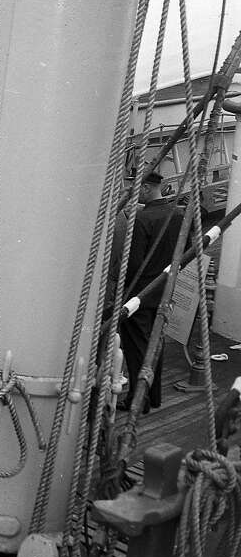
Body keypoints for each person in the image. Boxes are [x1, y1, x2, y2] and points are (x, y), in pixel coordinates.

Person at [110, 172, 184, 412]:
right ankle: (153, 396)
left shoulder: (142, 219)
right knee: (155, 343)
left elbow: (133, 264)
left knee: (136, 348)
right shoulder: (178, 215)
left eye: (137, 189)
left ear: (146, 188)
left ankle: (138, 399)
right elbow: (185, 252)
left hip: (140, 294)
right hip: (164, 290)